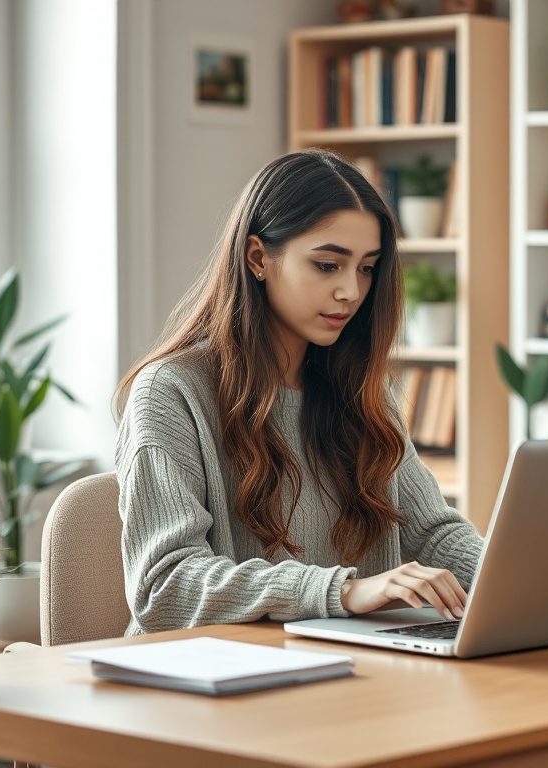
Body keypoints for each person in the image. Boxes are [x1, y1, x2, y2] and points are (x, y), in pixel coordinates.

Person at [113, 149, 482, 635]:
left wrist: (517, 582)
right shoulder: (169, 392)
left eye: (367, 268)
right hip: (207, 684)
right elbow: (164, 586)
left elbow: (433, 532)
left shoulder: (363, 391)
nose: (351, 290)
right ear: (258, 258)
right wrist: (343, 591)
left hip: (339, 668)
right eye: (328, 265)